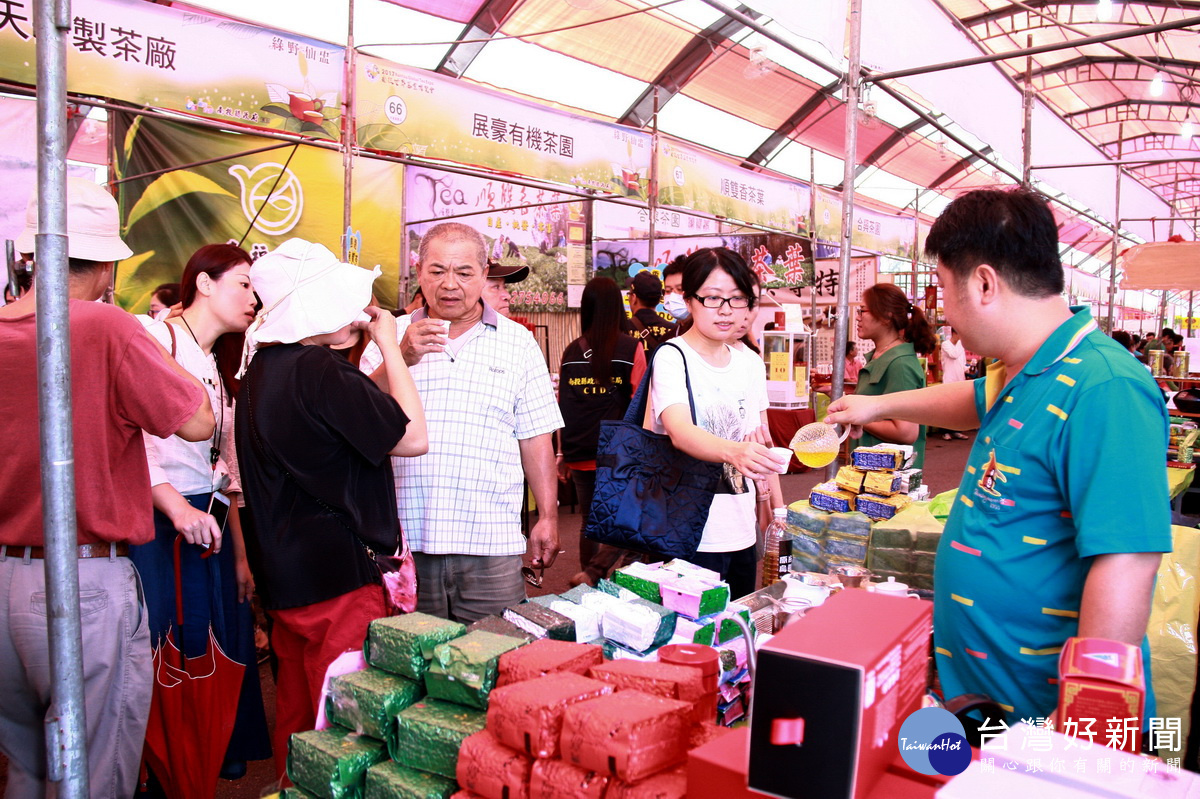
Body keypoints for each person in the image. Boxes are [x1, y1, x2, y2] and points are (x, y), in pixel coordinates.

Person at [826, 187, 1171, 726]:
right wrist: (875, 405)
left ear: (984, 282)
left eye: (943, 288)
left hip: (1047, 718)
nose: (943, 315)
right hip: (987, 704)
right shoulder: (1028, 369)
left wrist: (1087, 725)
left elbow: (1126, 560)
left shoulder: (1105, 387)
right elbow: (969, 403)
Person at [0, 177, 214, 797]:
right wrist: (162, 340)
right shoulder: (106, 327)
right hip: (82, 584)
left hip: (7, 580)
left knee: (25, 769)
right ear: (105, 267)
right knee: (93, 773)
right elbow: (197, 420)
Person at [234, 238, 427, 778]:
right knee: (348, 725)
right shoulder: (318, 370)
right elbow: (411, 437)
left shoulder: (260, 374)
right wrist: (391, 344)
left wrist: (392, 358)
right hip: (340, 578)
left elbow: (352, 410)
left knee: (299, 716)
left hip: (288, 580)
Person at [373, 222, 562, 623]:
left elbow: (535, 438)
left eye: (464, 272)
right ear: (419, 271)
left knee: (491, 665)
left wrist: (547, 515)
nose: (449, 285)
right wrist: (400, 356)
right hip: (404, 543)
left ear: (483, 273)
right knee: (410, 670)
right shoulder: (390, 338)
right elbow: (354, 413)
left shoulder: (518, 342)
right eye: (437, 271)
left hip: (490, 544)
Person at [134, 244, 271, 783]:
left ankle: (204, 763)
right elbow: (129, 444)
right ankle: (164, 771)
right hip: (164, 521)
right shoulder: (155, 338)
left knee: (218, 646)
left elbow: (226, 471)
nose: (252, 298)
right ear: (205, 284)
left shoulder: (220, 363)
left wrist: (239, 555)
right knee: (171, 650)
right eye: (242, 284)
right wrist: (172, 504)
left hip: (210, 520)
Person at [648, 248, 787, 598]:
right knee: (689, 644)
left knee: (735, 635)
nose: (726, 310)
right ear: (690, 300)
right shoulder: (672, 356)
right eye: (713, 298)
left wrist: (777, 509)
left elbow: (760, 442)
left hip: (741, 530)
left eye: (737, 299)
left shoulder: (751, 365)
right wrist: (735, 452)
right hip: (685, 532)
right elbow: (680, 432)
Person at [558, 277, 647, 587]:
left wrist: (562, 453)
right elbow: (641, 400)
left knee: (589, 521)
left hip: (579, 449)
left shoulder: (571, 351)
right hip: (620, 450)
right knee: (628, 517)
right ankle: (605, 575)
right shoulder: (630, 347)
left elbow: (563, 406)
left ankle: (590, 585)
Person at [854, 283, 938, 469]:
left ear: (885, 316)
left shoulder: (900, 364)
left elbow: (905, 432)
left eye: (862, 311)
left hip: (887, 479)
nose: (858, 318)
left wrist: (857, 417)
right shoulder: (882, 356)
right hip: (872, 471)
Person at [628, 271, 678, 354]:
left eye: (629, 294)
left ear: (634, 298)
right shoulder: (674, 331)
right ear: (659, 300)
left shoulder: (622, 330)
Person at [939, 327, 970, 441]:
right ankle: (945, 431)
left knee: (958, 407)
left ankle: (957, 430)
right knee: (947, 407)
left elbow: (962, 361)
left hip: (960, 379)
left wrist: (967, 368)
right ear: (954, 333)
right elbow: (954, 355)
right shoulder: (946, 344)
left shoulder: (960, 345)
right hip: (949, 379)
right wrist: (961, 344)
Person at [661, 256, 688, 322]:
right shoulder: (674, 331)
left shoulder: (709, 331)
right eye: (668, 290)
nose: (673, 296)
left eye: (680, 289)